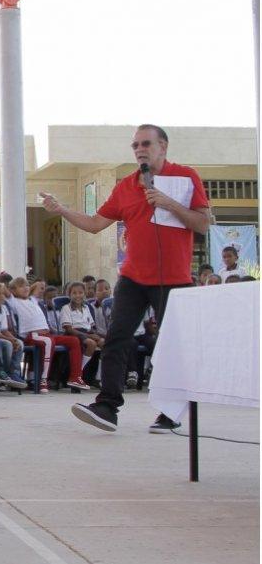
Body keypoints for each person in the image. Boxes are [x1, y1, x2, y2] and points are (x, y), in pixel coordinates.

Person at [41, 124, 211, 433]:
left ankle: (170, 412)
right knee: (117, 338)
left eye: (145, 143)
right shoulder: (126, 186)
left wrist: (169, 203)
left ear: (163, 146)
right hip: (133, 278)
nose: (139, 149)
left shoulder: (186, 177)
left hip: (173, 279)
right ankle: (107, 406)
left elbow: (202, 224)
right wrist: (61, 209)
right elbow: (95, 224)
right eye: (135, 145)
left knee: (171, 346)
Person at [9, 277, 90, 393]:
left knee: (74, 341)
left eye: (27, 285)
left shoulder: (32, 300)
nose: (26, 288)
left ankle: (75, 378)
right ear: (13, 290)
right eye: (21, 286)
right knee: (48, 342)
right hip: (32, 335)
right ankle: (43, 380)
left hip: (47, 334)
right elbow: (5, 290)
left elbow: (37, 289)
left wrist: (31, 287)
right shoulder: (13, 301)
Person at [59, 282, 101, 384]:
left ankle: (99, 377)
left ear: (84, 293)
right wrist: (89, 336)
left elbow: (90, 326)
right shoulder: (66, 308)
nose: (78, 295)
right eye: (74, 293)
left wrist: (95, 334)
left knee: (104, 342)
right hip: (74, 333)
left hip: (86, 332)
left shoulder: (86, 308)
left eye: (80, 292)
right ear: (69, 295)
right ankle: (78, 373)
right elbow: (68, 329)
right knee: (91, 344)